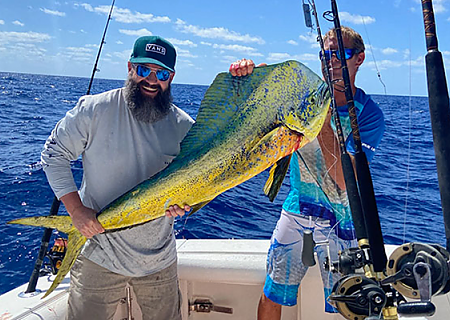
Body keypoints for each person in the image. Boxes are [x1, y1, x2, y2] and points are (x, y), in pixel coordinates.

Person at [230, 26, 385, 319]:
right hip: (297, 209)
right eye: (326, 55)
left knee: (351, 305)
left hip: (345, 221)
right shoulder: (304, 99)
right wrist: (252, 77)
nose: (331, 62)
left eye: (341, 54)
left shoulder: (369, 114)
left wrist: (323, 116)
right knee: (271, 294)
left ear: (359, 59)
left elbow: (341, 180)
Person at [41, 35, 194, 320]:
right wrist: (75, 211)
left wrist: (188, 204)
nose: (151, 80)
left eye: (161, 73)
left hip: (158, 260)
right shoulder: (94, 109)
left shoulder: (186, 127)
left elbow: (199, 186)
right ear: (129, 67)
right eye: (143, 70)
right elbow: (53, 154)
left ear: (171, 77)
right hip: (99, 255)